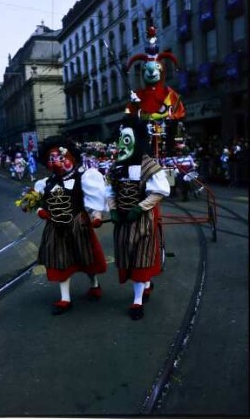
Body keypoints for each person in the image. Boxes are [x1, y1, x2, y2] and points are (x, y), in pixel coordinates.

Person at [105, 117, 170, 320]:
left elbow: (160, 191)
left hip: (141, 221)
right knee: (127, 255)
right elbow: (110, 191)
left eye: (127, 139)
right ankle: (146, 286)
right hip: (123, 222)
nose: (122, 144)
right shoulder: (116, 167)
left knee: (141, 257)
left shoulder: (148, 165)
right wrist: (113, 210)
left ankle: (137, 301)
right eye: (121, 139)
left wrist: (140, 208)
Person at [34, 140, 107, 315]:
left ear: (71, 158)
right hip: (56, 228)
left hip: (77, 224)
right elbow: (39, 203)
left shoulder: (84, 178)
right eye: (52, 159)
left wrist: (96, 217)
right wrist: (41, 212)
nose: (57, 162)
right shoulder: (47, 183)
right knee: (60, 260)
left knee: (85, 257)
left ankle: (95, 284)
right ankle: (65, 298)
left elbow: (94, 201)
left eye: (61, 157)